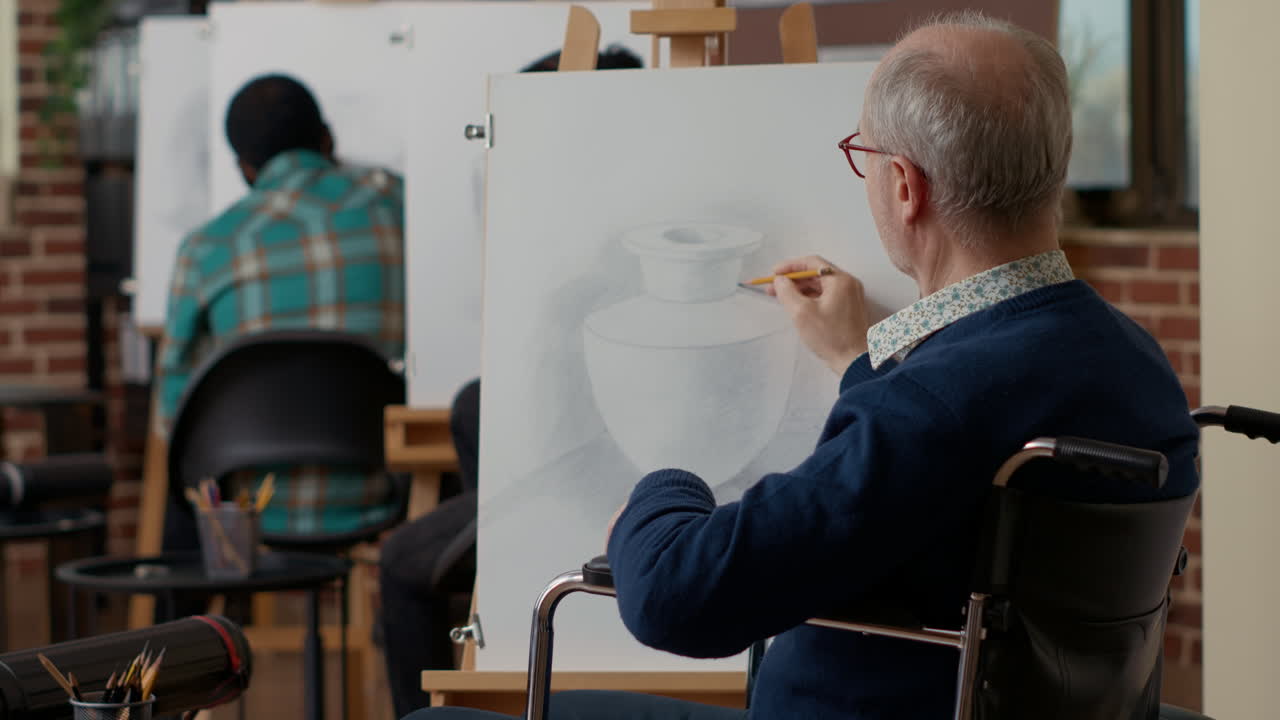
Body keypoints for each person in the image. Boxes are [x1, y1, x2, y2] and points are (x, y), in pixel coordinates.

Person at [404, 10, 1200, 720]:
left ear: (904, 186)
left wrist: (661, 489)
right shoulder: (1134, 366)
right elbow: (928, 488)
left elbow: (677, 596)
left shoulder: (935, 408)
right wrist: (858, 359)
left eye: (864, 157)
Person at [378, 45, 643, 717]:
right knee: (472, 405)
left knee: (406, 559)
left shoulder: (598, 256)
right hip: (598, 481)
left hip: (614, 489)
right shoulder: (598, 229)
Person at [158, 74, 405, 549]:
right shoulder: (401, 205)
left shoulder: (205, 248)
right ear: (327, 139)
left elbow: (173, 409)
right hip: (392, 491)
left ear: (245, 168)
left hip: (248, 509)